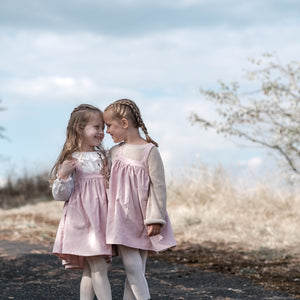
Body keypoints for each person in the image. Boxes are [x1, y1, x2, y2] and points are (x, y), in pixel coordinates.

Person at [103, 98, 177, 300]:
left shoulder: (149, 151)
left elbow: (158, 187)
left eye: (110, 125)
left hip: (144, 218)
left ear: (124, 123)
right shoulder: (114, 152)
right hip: (120, 218)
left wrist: (156, 218)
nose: (107, 131)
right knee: (132, 268)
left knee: (136, 271)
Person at [50, 104, 112, 300]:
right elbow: (61, 195)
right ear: (79, 129)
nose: (101, 132)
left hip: (101, 220)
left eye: (103, 127)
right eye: (96, 127)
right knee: (99, 268)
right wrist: (63, 175)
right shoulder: (72, 160)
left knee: (90, 269)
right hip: (82, 222)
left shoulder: (104, 157)